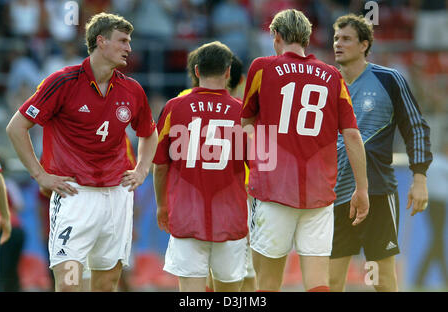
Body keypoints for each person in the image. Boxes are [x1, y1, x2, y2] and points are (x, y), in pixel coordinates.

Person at [6, 12, 158, 292]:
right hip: (74, 194)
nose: (129, 48)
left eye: (130, 41)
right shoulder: (62, 82)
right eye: (122, 41)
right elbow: (16, 127)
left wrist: (142, 169)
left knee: (106, 284)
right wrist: (40, 175)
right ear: (101, 41)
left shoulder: (132, 89)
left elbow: (149, 133)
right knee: (69, 284)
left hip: (116, 196)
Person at [241, 9, 369, 292]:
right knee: (317, 284)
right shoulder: (333, 76)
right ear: (307, 39)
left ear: (276, 36)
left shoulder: (262, 67)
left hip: (274, 191)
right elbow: (352, 134)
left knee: (268, 283)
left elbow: (245, 123)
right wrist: (362, 188)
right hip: (319, 192)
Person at [329, 14, 432, 292]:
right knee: (329, 282)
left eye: (346, 39)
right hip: (332, 196)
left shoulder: (389, 80)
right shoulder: (326, 84)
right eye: (336, 38)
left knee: (382, 281)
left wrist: (419, 177)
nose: (338, 43)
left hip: (376, 192)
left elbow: (416, 128)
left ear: (364, 45)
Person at [154, 41, 248, 292]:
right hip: (231, 217)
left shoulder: (174, 107)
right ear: (229, 72)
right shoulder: (243, 112)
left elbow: (160, 165)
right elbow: (259, 168)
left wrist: (162, 205)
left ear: (196, 71)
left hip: (186, 217)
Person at [415, 141, 447, 288]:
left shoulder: (434, 162)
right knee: (437, 240)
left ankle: (422, 277)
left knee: (437, 240)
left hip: (432, 204)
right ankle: (423, 277)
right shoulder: (442, 164)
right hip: (438, 205)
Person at [0, 157, 25, 292]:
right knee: (11, 267)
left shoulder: (5, 183)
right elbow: (20, 205)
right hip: (17, 229)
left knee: (2, 269)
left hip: (4, 228)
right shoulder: (10, 183)